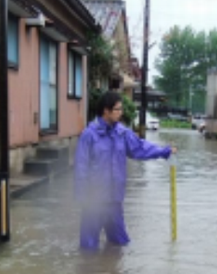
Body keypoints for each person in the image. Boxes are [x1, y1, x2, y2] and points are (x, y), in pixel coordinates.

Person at [74, 91, 176, 250]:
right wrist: (82, 197)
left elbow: (141, 148)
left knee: (120, 245)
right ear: (106, 111)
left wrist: (164, 151)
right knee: (88, 249)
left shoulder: (122, 134)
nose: (121, 113)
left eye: (121, 109)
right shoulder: (89, 136)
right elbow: (81, 168)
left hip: (115, 201)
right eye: (118, 109)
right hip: (93, 202)